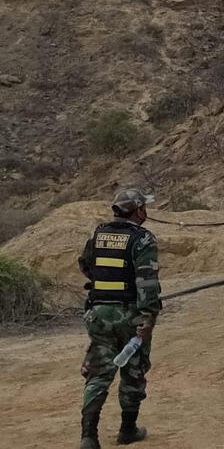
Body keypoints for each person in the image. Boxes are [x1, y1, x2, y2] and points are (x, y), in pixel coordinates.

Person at [77, 188, 161, 448]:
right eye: (144, 208)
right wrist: (149, 316)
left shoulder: (98, 233)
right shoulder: (143, 239)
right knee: (133, 372)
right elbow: (147, 280)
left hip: (99, 312)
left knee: (98, 375)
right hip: (130, 314)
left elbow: (85, 264)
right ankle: (127, 429)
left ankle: (88, 436)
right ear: (137, 211)